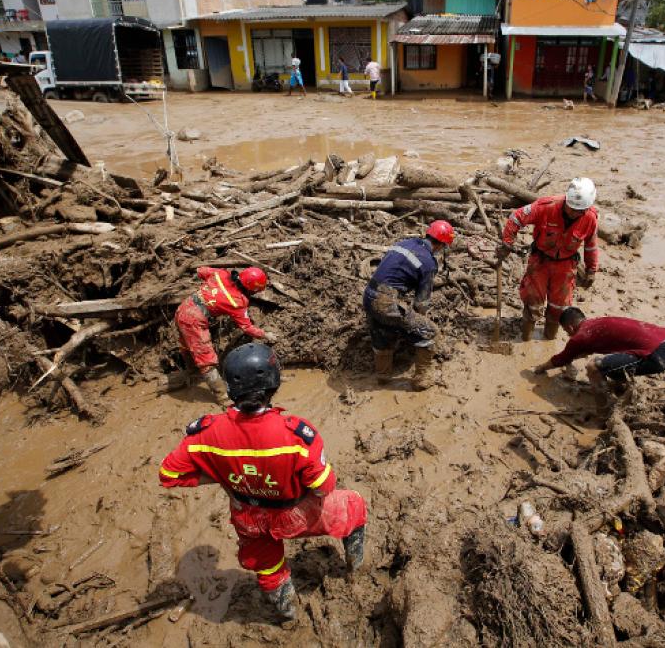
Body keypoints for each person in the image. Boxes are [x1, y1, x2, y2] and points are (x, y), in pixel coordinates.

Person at [159, 343, 367, 621]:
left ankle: (288, 612)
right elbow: (323, 486)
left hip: (247, 517)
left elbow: (169, 475)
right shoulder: (297, 436)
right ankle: (356, 567)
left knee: (267, 566)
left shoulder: (204, 434)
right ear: (273, 384)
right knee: (352, 505)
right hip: (294, 513)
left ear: (230, 388)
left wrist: (223, 477)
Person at [496, 179, 599, 341]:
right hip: (541, 261)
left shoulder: (590, 218)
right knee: (532, 301)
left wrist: (591, 270)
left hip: (566, 265)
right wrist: (507, 243)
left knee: (559, 307)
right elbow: (516, 218)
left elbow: (591, 246)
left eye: (579, 211)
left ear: (586, 208)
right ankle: (526, 339)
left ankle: (549, 339)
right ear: (566, 200)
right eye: (571, 208)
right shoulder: (547, 206)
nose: (573, 213)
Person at [364, 221, 455, 390]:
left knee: (382, 334)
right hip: (386, 302)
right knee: (429, 333)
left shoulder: (404, 243)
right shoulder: (428, 263)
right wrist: (421, 322)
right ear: (441, 245)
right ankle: (421, 380)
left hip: (369, 296)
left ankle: (383, 377)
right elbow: (421, 303)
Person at [533, 308, 665, 408]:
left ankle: (603, 412)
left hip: (659, 355)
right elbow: (581, 352)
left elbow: (562, 359)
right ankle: (621, 390)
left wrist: (540, 368)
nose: (567, 334)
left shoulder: (580, 336)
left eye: (566, 331)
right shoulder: (595, 325)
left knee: (593, 367)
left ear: (570, 327)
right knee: (613, 363)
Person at [174, 266, 277, 403]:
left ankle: (193, 375)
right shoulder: (237, 302)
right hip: (194, 320)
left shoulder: (221, 274)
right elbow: (247, 327)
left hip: (184, 308)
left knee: (188, 347)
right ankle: (222, 397)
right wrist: (265, 334)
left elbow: (200, 270)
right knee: (206, 360)